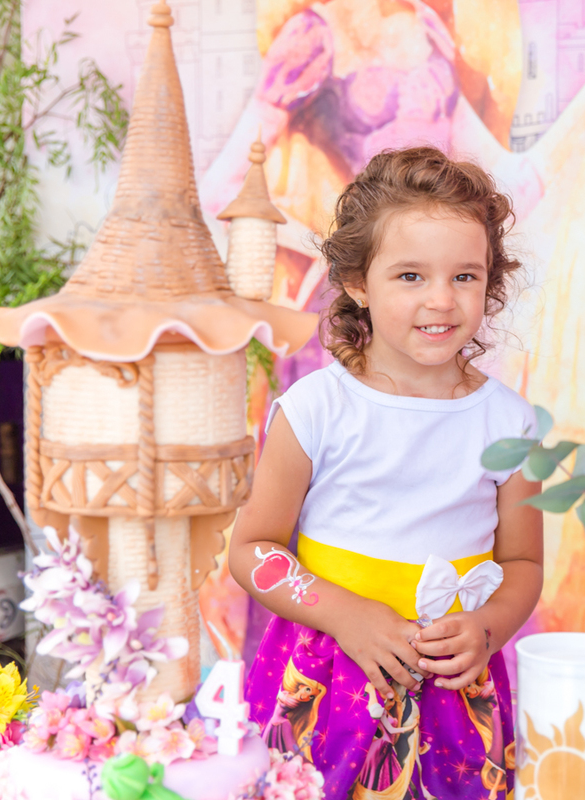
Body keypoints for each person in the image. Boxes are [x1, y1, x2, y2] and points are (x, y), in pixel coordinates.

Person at [230, 146, 543, 799]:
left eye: (465, 276)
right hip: (323, 677)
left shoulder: (510, 424)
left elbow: (523, 564)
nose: (441, 299)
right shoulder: (315, 410)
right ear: (356, 282)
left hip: (453, 690)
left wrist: (486, 629)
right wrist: (346, 614)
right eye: (410, 276)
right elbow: (251, 550)